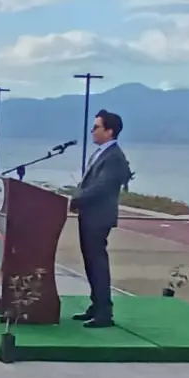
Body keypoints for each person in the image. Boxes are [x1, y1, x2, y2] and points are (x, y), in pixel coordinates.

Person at [70, 110, 132, 328]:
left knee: (97, 263)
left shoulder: (114, 157)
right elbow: (88, 183)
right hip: (88, 215)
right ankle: (96, 305)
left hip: (99, 217)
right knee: (90, 262)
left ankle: (104, 312)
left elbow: (101, 187)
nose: (92, 131)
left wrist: (76, 200)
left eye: (96, 127)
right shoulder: (99, 153)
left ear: (110, 131)